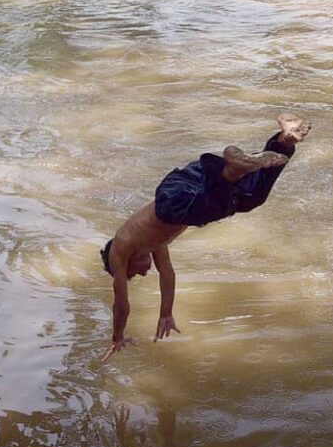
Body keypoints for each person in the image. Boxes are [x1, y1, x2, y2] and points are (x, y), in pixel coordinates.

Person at [99, 114, 311, 361]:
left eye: (133, 273)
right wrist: (165, 314)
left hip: (177, 196)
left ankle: (231, 171)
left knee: (206, 210)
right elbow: (167, 275)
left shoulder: (120, 250)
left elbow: (120, 304)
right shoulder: (152, 243)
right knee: (250, 197)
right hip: (194, 185)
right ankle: (284, 140)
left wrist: (117, 337)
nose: (143, 273)